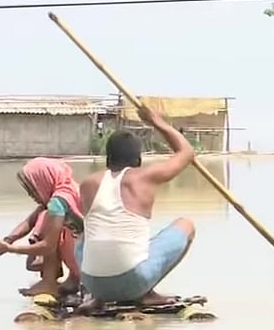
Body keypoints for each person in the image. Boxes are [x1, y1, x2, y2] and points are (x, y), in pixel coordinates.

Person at [75, 106, 196, 307]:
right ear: (138, 159)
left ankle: (97, 298)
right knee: (187, 225)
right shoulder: (144, 177)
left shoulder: (87, 184)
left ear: (108, 157)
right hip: (133, 282)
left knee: (85, 236)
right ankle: (146, 293)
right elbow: (186, 152)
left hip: (94, 283)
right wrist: (156, 121)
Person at [0, 157, 84, 298]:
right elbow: (29, 222)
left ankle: (48, 282)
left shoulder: (58, 202)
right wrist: (9, 239)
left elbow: (48, 247)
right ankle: (74, 277)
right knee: (45, 216)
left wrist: (10, 249)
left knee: (46, 218)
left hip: (85, 259)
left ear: (42, 181)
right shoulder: (69, 189)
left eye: (32, 189)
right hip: (88, 261)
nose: (31, 195)